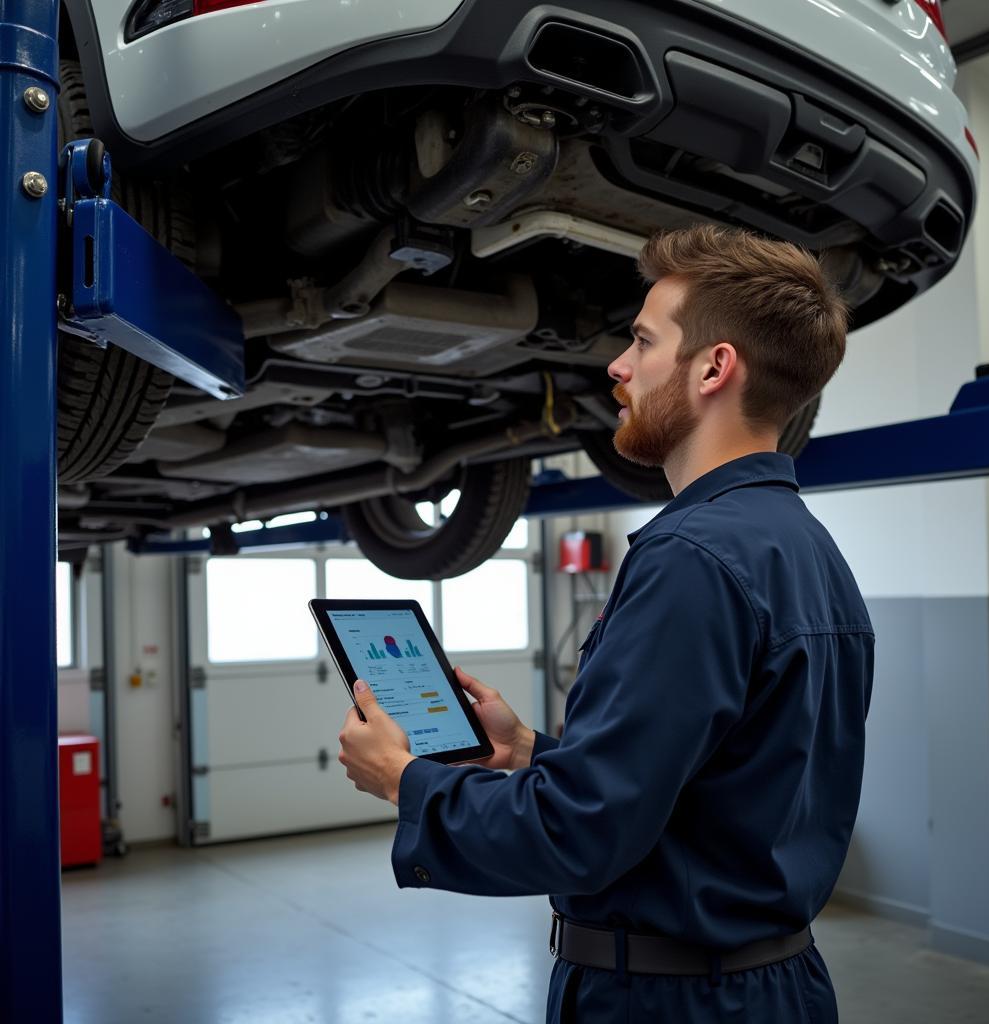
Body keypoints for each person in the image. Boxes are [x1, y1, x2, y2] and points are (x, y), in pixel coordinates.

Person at [338, 224, 874, 1022]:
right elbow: (717, 792)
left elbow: (581, 834)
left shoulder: (693, 557)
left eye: (642, 342)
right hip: (770, 986)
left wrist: (408, 780)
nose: (617, 367)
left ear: (714, 369)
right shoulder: (807, 549)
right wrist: (525, 751)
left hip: (671, 1001)